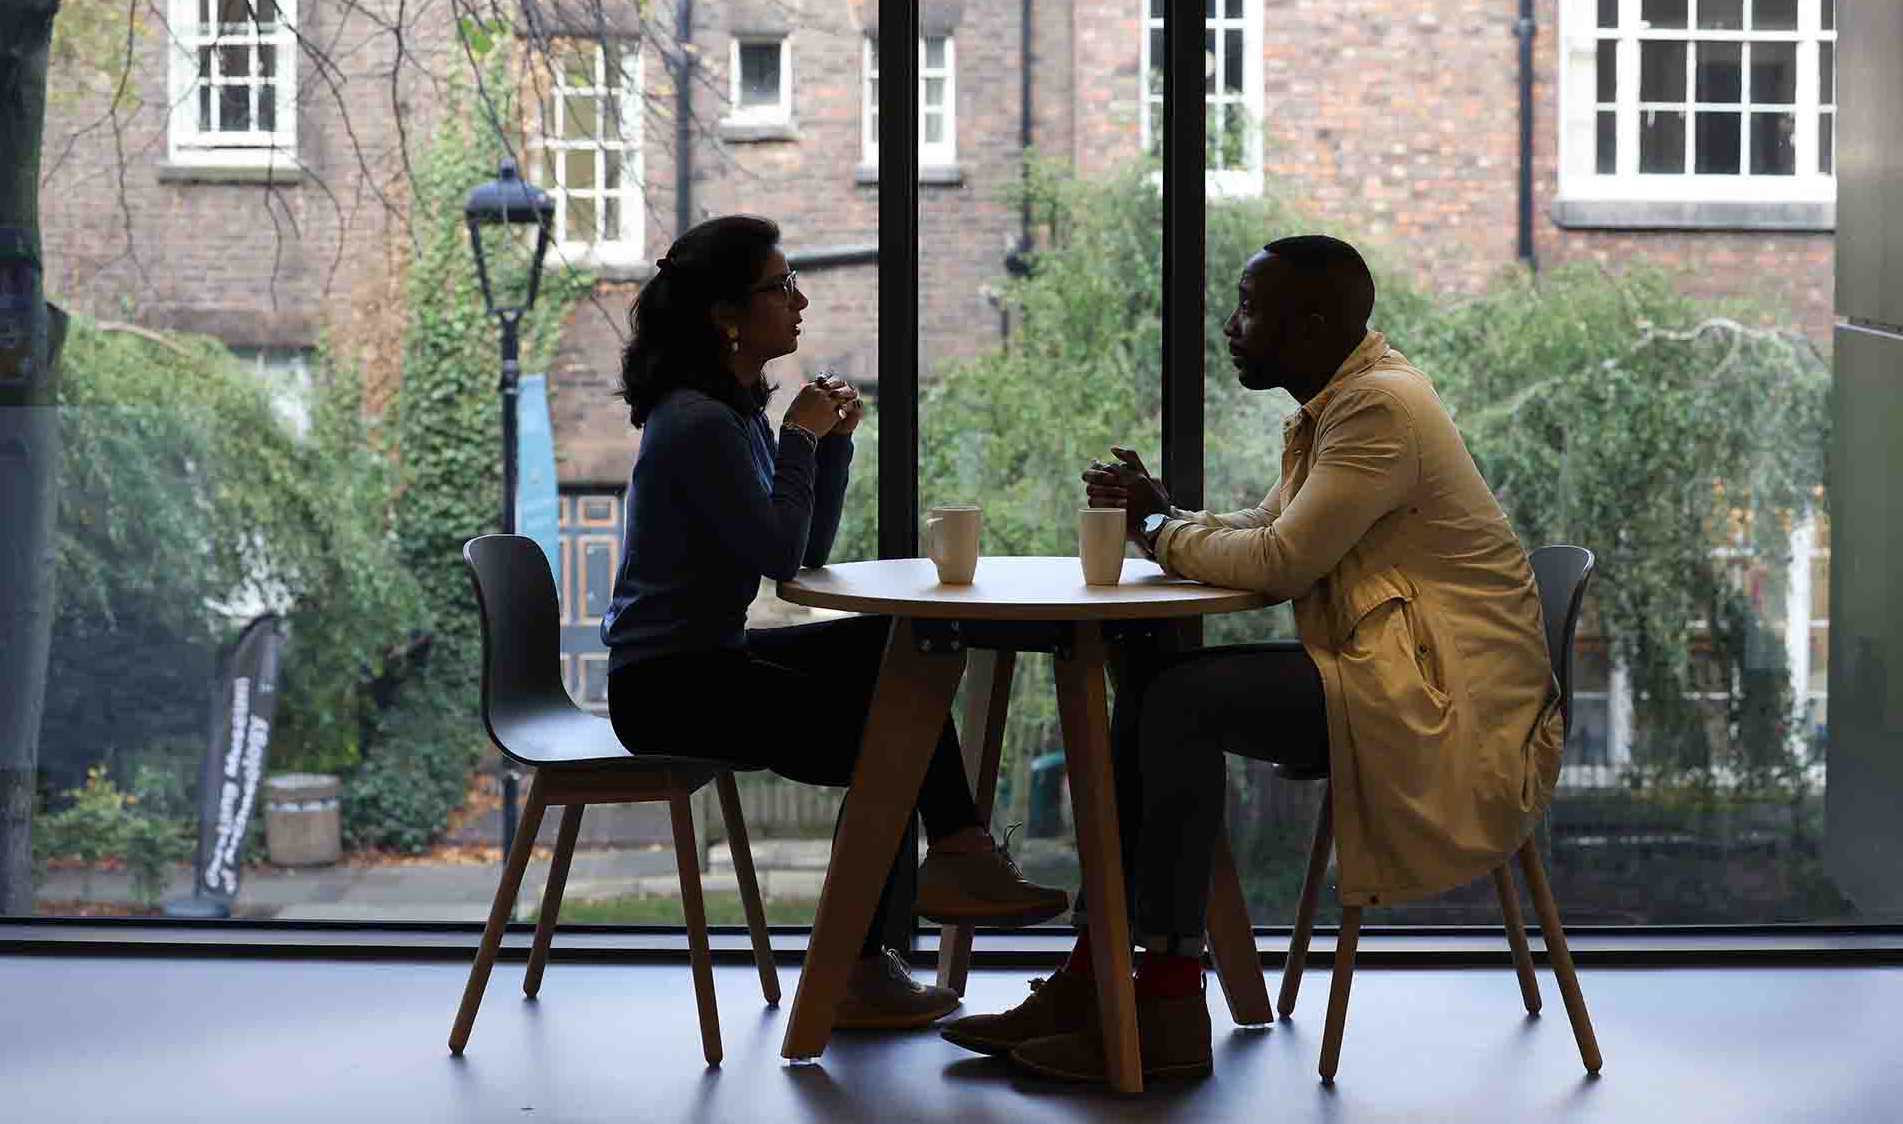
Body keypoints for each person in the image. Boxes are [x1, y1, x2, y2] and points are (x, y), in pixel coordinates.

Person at [942, 233, 1563, 1082]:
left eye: (1247, 305)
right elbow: (1269, 530)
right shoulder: (1342, 406)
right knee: (1158, 685)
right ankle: (1098, 981)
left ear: (1308, 322)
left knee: (1176, 702)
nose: (1231, 325)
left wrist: (1160, 530)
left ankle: (1162, 1000)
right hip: (1395, 671)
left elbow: (1278, 565)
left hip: (1449, 706)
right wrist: (1169, 514)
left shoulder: (1378, 411)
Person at [601, 214, 1067, 1031]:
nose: (801, 299)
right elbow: (784, 555)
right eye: (781, 287)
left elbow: (802, 553)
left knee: (891, 646)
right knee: (891, 723)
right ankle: (866, 959)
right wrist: (800, 439)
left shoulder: (728, 414)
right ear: (726, 315)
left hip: (702, 660)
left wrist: (829, 448)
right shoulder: (699, 423)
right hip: (667, 688)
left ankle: (953, 858)